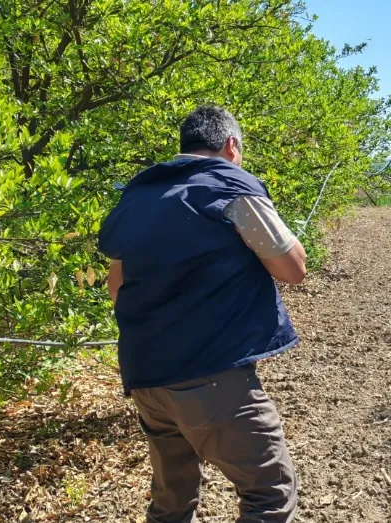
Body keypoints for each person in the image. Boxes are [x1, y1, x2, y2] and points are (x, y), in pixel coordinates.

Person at [98, 105, 305, 523]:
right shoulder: (230, 185)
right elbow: (293, 269)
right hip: (211, 374)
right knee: (269, 495)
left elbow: (116, 288)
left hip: (146, 377)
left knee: (171, 504)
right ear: (231, 145)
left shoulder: (138, 196)